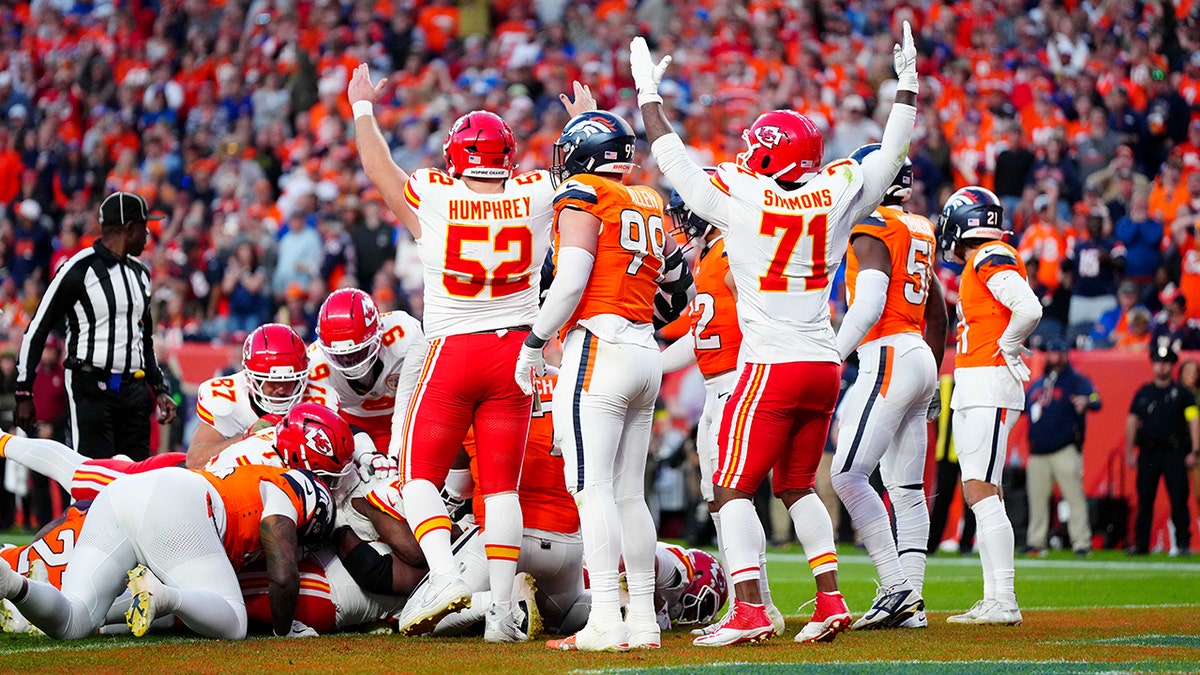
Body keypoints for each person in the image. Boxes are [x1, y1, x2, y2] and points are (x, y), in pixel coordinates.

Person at [634, 22, 918, 646]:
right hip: (823, 364)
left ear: (767, 154)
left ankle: (750, 609)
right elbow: (887, 160)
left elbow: (677, 167)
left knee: (729, 489)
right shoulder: (834, 194)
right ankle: (830, 599)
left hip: (769, 366)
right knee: (795, 485)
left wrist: (648, 101)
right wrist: (906, 93)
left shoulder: (744, 200)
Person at [350, 65, 590, 642]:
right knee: (501, 489)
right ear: (507, 156)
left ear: (456, 156)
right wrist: (585, 114)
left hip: (453, 349)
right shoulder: (535, 193)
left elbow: (380, 171)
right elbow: (583, 172)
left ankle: (445, 576)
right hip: (517, 353)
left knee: (415, 476)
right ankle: (503, 613)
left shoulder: (434, 192)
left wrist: (362, 108)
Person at [512, 108, 691, 652]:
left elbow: (569, 283)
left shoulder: (585, 195)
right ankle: (642, 621)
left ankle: (607, 621)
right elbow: (670, 287)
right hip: (643, 348)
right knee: (629, 495)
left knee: (592, 493)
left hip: (599, 347)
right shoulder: (648, 199)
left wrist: (534, 341)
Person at [0, 461, 336, 640]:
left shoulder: (257, 471)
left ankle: (14, 585)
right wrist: (283, 630)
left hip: (118, 495)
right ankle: (165, 596)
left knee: (74, 622)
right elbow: (282, 574)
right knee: (234, 623)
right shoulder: (293, 493)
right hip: (178, 502)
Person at [659, 182, 787, 638]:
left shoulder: (734, 248)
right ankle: (748, 603)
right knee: (718, 501)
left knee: (733, 497)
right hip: (717, 386)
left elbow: (764, 307)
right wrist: (650, 367)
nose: (680, 223)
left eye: (684, 212)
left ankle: (760, 605)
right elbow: (698, 338)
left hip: (737, 381)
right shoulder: (709, 255)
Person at [831, 144, 948, 631]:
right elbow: (941, 313)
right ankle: (913, 601)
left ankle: (896, 587)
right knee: (907, 488)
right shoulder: (919, 226)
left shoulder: (875, 225)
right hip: (919, 355)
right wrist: (935, 374)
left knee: (846, 476)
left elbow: (871, 302)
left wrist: (833, 355)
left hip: (888, 354)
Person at [938, 186, 1042, 626]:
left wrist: (1008, 345)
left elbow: (1028, 307)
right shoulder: (982, 260)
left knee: (980, 489)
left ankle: (1004, 599)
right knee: (982, 489)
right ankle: (996, 596)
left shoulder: (987, 255)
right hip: (976, 382)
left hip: (989, 381)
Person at [14, 192, 177, 459]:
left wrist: (159, 388)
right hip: (90, 384)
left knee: (136, 479)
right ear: (128, 228)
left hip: (133, 389)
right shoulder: (78, 269)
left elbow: (143, 339)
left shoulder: (141, 273)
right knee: (93, 475)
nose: (148, 235)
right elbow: (38, 328)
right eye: (144, 227)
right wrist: (23, 390)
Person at [306, 287, 423, 456]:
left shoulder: (404, 333)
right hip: (350, 426)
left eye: (357, 352)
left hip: (409, 416)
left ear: (379, 334)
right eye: (341, 356)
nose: (350, 362)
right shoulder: (315, 364)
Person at [188, 323, 310, 468]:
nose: (282, 389)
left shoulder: (319, 395)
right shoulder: (228, 397)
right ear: (252, 379)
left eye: (290, 380)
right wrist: (249, 437)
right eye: (273, 381)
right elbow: (195, 461)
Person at [1024, 338, 1100, 556]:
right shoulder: (1040, 382)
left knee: (1074, 497)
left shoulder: (1076, 380)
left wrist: (1087, 402)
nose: (1053, 356)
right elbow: (1024, 405)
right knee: (1037, 499)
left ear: (1066, 354)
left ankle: (1081, 542)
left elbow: (1096, 399)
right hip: (1038, 451)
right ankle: (1036, 540)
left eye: (1058, 351)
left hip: (1064, 448)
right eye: (1051, 352)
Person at [1125, 345, 1199, 556]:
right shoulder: (1144, 393)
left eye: (1166, 363)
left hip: (1174, 451)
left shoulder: (1183, 394)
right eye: (1158, 363)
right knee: (1145, 499)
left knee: (1178, 498)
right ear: (1153, 365)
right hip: (1149, 452)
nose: (1161, 367)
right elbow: (1131, 421)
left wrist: (1194, 449)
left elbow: (1193, 420)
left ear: (1172, 366)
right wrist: (1130, 451)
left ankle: (1183, 543)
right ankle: (1141, 544)